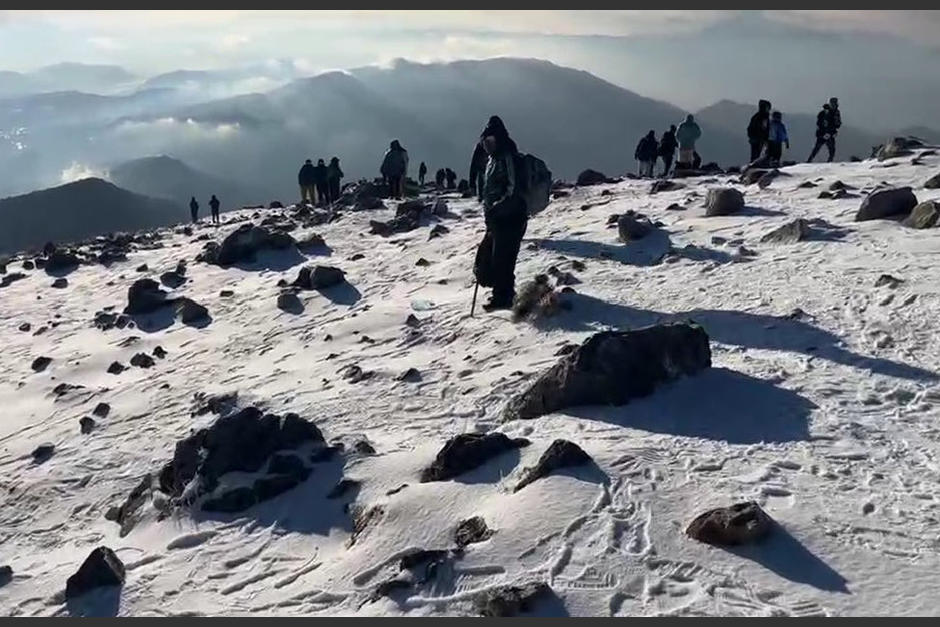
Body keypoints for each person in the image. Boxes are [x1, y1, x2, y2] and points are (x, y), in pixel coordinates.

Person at [475, 115, 526, 312]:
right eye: (484, 142)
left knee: (504, 257)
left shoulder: (507, 157)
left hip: (511, 216)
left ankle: (503, 296)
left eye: (489, 141)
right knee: (495, 257)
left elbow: (512, 188)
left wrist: (497, 206)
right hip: (498, 217)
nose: (486, 145)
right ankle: (502, 293)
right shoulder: (493, 159)